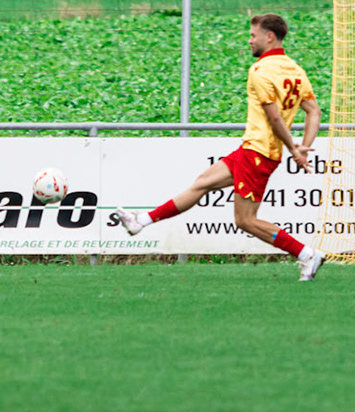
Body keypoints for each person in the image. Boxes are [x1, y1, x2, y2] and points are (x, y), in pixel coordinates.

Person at [117, 14, 327, 280]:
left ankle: (306, 254)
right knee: (202, 183)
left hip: (259, 153)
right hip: (252, 150)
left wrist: (295, 149)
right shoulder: (296, 70)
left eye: (253, 35)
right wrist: (304, 146)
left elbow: (274, 118)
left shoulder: (261, 71)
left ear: (269, 37)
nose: (249, 40)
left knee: (245, 220)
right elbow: (314, 111)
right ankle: (141, 222)